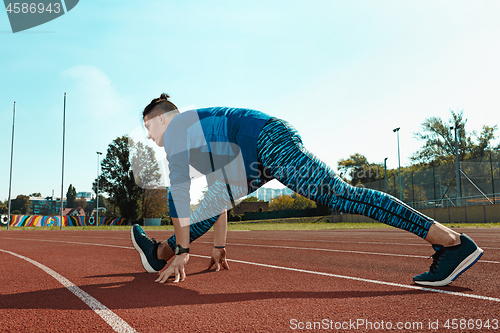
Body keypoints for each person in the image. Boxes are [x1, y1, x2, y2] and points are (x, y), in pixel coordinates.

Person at [131, 93, 483, 287]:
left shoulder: (178, 132)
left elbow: (178, 195)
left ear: (162, 119)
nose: (148, 136)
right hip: (257, 147)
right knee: (213, 201)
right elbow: (218, 200)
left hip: (265, 141)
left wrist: (186, 250)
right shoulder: (198, 135)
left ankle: (451, 241)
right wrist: (219, 247)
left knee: (339, 195)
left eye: (148, 127)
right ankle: (158, 251)